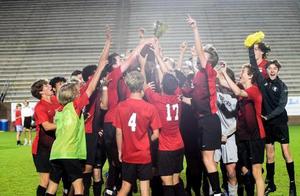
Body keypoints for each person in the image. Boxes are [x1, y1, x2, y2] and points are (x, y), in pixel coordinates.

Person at [45, 26, 110, 196]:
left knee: (52, 187)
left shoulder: (59, 109)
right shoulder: (75, 107)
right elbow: (92, 86)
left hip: (56, 153)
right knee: (79, 187)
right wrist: (101, 66)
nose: (79, 90)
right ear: (73, 95)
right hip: (70, 152)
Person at [248, 41, 296, 195]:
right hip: (267, 124)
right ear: (267, 70)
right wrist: (250, 48)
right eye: (270, 68)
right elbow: (254, 67)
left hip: (279, 123)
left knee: (285, 152)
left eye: (275, 68)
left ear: (278, 70)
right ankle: (271, 183)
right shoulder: (263, 83)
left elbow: (281, 107)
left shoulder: (283, 86)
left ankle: (292, 184)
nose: (272, 70)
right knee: (269, 154)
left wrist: (268, 116)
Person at [183, 15, 222, 195]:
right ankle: (215, 191)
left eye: (203, 55)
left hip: (208, 121)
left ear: (210, 60)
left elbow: (199, 51)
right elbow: (194, 100)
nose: (200, 56)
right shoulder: (199, 74)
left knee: (208, 159)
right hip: (202, 120)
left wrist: (195, 29)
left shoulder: (209, 71)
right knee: (207, 159)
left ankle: (216, 192)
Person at [113, 71, 161, 196]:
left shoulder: (121, 106)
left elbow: (118, 132)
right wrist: (145, 141)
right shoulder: (150, 107)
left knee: (125, 187)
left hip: (128, 153)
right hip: (144, 154)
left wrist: (119, 150)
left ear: (128, 87)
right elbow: (156, 133)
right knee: (145, 189)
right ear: (141, 87)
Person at [220, 63, 265, 196]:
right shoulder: (240, 87)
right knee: (244, 169)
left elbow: (237, 92)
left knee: (257, 172)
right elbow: (223, 82)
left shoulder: (254, 90)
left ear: (250, 76)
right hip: (243, 137)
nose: (240, 73)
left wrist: (224, 73)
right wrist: (218, 70)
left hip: (255, 137)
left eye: (243, 71)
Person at [79, 26, 111, 196]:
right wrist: (107, 43)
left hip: (94, 132)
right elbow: (100, 65)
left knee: (93, 168)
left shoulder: (99, 90)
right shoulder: (88, 88)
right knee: (88, 168)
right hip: (88, 133)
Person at [31, 79, 62, 196]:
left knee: (54, 180)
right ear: (40, 92)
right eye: (46, 85)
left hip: (55, 146)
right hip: (41, 149)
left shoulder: (55, 100)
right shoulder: (39, 107)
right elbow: (47, 126)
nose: (50, 86)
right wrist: (65, 125)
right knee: (45, 181)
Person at [214, 64, 238, 196]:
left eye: (223, 76)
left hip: (229, 137)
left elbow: (238, 121)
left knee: (231, 172)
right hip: (215, 137)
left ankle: (233, 194)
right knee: (212, 169)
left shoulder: (237, 95)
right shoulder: (214, 92)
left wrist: (226, 134)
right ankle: (215, 193)